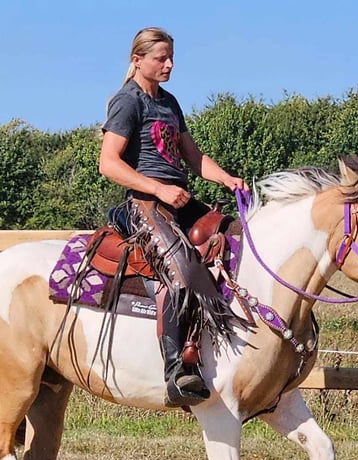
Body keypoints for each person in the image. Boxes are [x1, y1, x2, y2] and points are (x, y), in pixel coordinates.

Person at [99, 27, 249, 408]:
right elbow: (109, 164)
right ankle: (176, 373)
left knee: (234, 238)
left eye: (170, 57)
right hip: (144, 205)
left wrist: (228, 179)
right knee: (181, 276)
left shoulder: (169, 102)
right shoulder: (126, 102)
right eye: (160, 58)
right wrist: (158, 188)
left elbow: (194, 159)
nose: (169, 64)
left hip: (179, 201)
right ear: (137, 60)